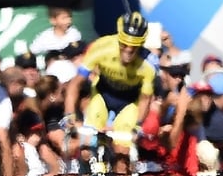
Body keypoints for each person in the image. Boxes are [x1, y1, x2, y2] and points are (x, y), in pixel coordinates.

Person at [63, 11, 156, 154]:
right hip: (102, 94)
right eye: (124, 44)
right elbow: (75, 83)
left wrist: (137, 126)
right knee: (87, 150)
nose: (129, 50)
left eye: (134, 46)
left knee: (122, 151)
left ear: (142, 44)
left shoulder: (149, 63)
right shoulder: (101, 47)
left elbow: (145, 99)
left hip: (129, 102)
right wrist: (69, 114)